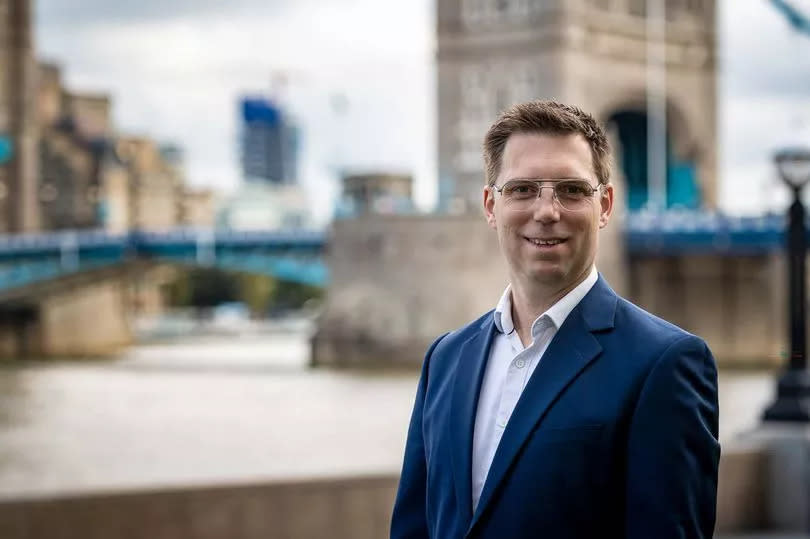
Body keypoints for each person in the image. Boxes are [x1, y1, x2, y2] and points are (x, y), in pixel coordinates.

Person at [390, 100, 720, 539]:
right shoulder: (446, 359)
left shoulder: (665, 364)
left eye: (571, 189)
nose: (547, 212)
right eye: (523, 189)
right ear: (491, 205)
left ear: (604, 205)